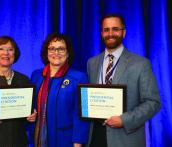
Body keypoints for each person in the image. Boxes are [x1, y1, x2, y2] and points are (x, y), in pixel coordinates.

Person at [87, 14, 161, 147]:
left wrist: (124, 120)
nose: (110, 34)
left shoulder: (141, 64)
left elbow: (153, 102)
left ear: (124, 32)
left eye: (115, 29)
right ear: (101, 33)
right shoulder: (92, 63)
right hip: (95, 137)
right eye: (106, 29)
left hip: (125, 139)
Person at [31, 33, 90, 147]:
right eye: (52, 49)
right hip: (38, 137)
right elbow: (31, 106)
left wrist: (78, 142)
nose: (56, 53)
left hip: (65, 139)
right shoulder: (36, 76)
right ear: (46, 52)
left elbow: (81, 114)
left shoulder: (79, 78)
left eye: (61, 49)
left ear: (68, 53)